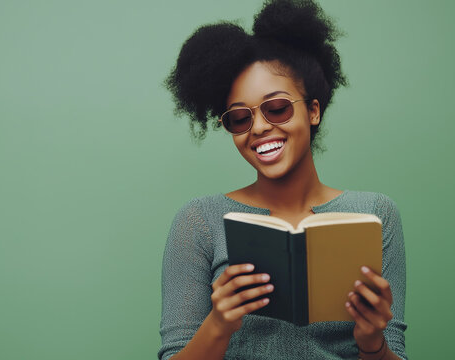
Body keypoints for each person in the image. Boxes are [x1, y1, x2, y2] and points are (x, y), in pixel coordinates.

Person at [158, 1, 407, 359]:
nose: (259, 127)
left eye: (277, 108)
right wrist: (218, 325)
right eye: (240, 118)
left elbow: (395, 351)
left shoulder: (376, 213)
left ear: (314, 110)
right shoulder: (199, 221)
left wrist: (373, 342)